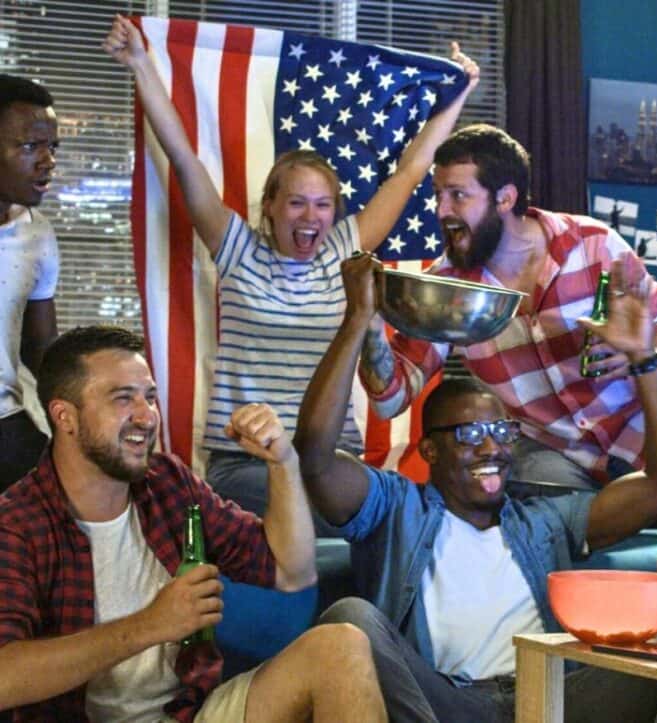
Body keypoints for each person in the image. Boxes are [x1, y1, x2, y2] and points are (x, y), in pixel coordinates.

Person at [294, 253, 657, 722]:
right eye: (472, 436)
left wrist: (645, 360)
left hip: (550, 698)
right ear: (430, 452)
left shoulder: (544, 521)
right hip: (448, 704)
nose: (492, 448)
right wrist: (357, 319)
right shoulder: (394, 507)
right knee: (352, 619)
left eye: (503, 433)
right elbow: (313, 455)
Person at [103, 16, 478, 531]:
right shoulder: (237, 248)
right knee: (319, 519)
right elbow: (183, 159)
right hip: (245, 464)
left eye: (323, 206)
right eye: (297, 203)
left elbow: (412, 170)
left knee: (407, 519)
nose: (310, 217)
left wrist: (459, 92)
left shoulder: (344, 248)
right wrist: (141, 65)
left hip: (329, 460)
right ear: (272, 207)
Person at [355, 123, 657, 540]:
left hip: (642, 434)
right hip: (546, 460)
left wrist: (641, 351)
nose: (441, 210)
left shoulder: (592, 242)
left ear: (504, 198)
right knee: (557, 545)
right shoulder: (447, 287)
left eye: (457, 196)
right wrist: (370, 328)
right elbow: (391, 397)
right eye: (438, 195)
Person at [0, 325, 387, 721]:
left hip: (186, 713)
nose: (146, 416)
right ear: (64, 416)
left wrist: (282, 464)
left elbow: (293, 571)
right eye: (122, 399)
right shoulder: (16, 523)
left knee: (341, 647)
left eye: (149, 397)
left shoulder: (166, 483)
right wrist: (149, 625)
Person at [0, 73, 60, 492]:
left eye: (51, 147)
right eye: (30, 147)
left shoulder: (38, 235)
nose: (48, 161)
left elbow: (40, 349)